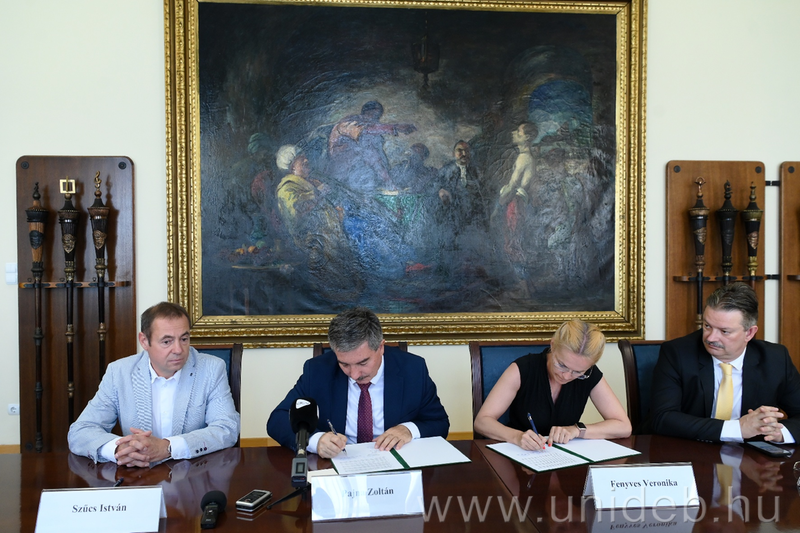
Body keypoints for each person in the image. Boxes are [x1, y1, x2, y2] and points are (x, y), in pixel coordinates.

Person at [68, 302, 240, 466]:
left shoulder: (211, 369)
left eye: (184, 339)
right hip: (138, 474)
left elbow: (226, 428)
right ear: (144, 341)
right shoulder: (119, 372)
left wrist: (167, 447)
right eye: (167, 341)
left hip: (193, 473)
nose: (178, 349)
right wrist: (120, 449)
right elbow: (81, 431)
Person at [267, 307, 449, 458]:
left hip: (394, 464)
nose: (354, 375)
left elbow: (439, 422)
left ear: (381, 347)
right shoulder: (318, 371)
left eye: (363, 363)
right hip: (337, 466)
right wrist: (316, 440)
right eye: (344, 364)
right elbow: (278, 420)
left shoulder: (413, 369)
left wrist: (408, 430)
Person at [650, 282, 800, 443]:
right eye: (707, 326)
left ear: (749, 333)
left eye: (724, 331)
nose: (711, 338)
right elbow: (662, 417)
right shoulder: (677, 353)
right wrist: (738, 429)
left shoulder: (775, 359)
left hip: (749, 454)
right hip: (690, 449)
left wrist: (779, 432)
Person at [473, 319, 631, 450]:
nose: (566, 376)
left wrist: (577, 430)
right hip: (519, 456)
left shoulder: (590, 374)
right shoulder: (523, 368)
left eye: (578, 372)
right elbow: (482, 421)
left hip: (563, 459)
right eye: (561, 365)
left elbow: (623, 426)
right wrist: (517, 437)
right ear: (553, 345)